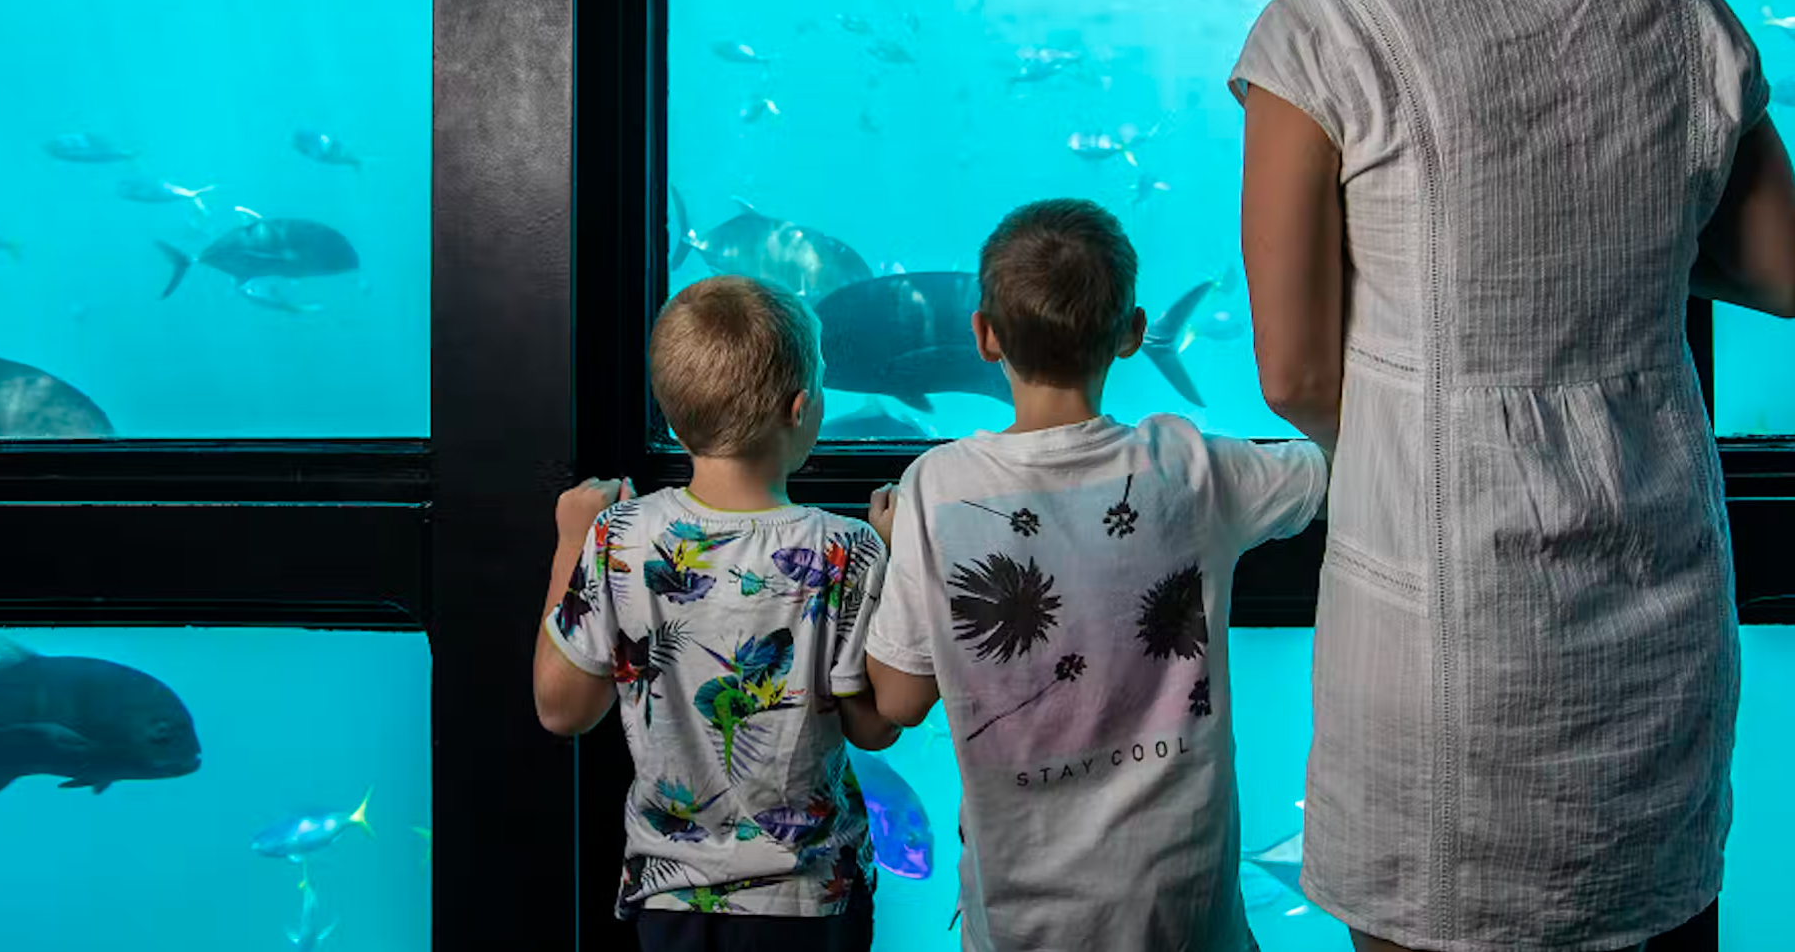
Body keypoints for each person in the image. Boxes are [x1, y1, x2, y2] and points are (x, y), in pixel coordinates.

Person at [1232, 0, 1795, 952]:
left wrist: (1412, 423)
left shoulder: (1318, 33)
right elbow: (1776, 276)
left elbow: (1291, 369)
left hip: (1446, 628)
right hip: (1657, 611)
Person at [861, 198, 1329, 952]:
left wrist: (894, 550)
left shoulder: (936, 490)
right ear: (1134, 335)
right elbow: (1330, 470)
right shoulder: (1192, 466)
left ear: (983, 336)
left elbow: (898, 698)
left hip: (1024, 920)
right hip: (1185, 909)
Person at [533, 275, 901, 952]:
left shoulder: (620, 536)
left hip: (670, 896)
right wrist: (900, 562)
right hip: (808, 900)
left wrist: (570, 542)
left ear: (671, 416)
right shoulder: (848, 548)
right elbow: (874, 727)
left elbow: (563, 710)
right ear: (801, 408)